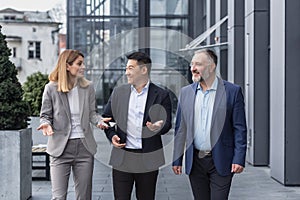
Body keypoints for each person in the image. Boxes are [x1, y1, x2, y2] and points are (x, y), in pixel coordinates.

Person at [172, 49, 247, 200]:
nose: (192, 68)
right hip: (195, 161)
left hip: (222, 159)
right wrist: (177, 158)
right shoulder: (186, 92)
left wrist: (239, 158)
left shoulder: (232, 91)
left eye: (198, 64)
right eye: (192, 64)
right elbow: (181, 129)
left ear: (212, 66)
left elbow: (239, 128)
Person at [101, 51, 172, 200]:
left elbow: (167, 125)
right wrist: (112, 135)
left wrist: (157, 126)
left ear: (144, 70)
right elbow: (106, 120)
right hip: (123, 158)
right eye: (126, 68)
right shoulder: (118, 93)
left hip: (148, 158)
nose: (126, 72)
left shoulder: (161, 94)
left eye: (130, 68)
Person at [37, 49, 104, 200]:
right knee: (59, 197)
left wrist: (99, 121)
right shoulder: (51, 88)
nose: (83, 67)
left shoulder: (88, 87)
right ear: (67, 66)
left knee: (84, 196)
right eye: (79, 64)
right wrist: (46, 124)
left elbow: (92, 113)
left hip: (84, 147)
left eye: (83, 63)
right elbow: (45, 115)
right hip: (60, 149)